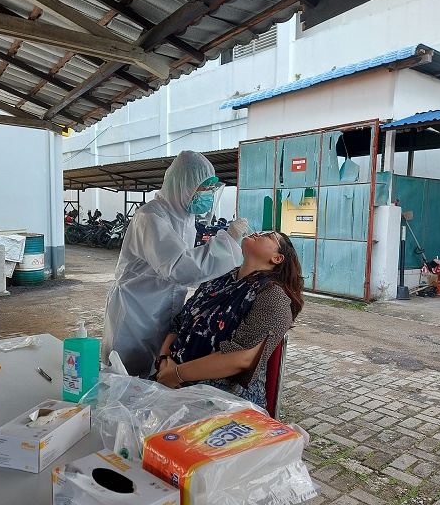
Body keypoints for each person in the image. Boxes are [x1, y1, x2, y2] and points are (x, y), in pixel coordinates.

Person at [101, 150, 249, 377]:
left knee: (156, 376)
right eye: (204, 188)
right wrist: (226, 242)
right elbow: (179, 267)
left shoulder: (185, 217)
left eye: (212, 188)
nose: (209, 194)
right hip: (136, 310)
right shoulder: (151, 217)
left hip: (163, 308)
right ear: (184, 185)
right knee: (124, 377)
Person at [155, 230, 304, 409]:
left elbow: (243, 358)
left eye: (269, 235)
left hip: (224, 403)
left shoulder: (273, 296)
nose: (259, 233)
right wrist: (164, 361)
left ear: (277, 258)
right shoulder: (217, 281)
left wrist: (177, 374)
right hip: (173, 383)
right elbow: (179, 322)